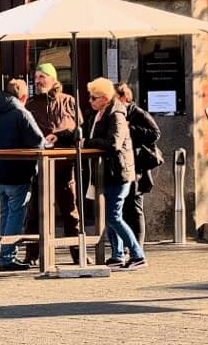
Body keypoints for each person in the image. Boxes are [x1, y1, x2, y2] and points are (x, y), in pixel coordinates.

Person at [84, 77, 147, 269]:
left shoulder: (116, 115)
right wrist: (63, 136)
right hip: (106, 173)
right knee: (108, 215)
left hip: (118, 173)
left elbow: (114, 144)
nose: (90, 101)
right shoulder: (98, 114)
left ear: (104, 98)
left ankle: (137, 255)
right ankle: (117, 254)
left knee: (114, 216)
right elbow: (83, 131)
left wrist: (87, 142)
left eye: (94, 98)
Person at [0, 78, 47, 271]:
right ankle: (7, 257)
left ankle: (1, 254)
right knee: (16, 214)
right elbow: (38, 141)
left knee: (5, 213)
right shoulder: (21, 113)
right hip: (19, 172)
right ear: (23, 96)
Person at [24, 62, 82, 264]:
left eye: (42, 77)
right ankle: (31, 255)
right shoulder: (30, 105)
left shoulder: (69, 101)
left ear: (53, 79)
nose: (38, 81)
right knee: (34, 213)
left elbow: (79, 130)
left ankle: (78, 253)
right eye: (36, 77)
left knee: (70, 212)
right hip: (40, 166)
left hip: (64, 165)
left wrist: (60, 135)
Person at [114, 82, 161, 248]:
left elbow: (155, 133)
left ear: (123, 97)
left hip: (137, 166)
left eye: (114, 98)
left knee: (134, 208)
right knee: (124, 209)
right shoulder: (114, 114)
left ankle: (138, 247)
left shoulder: (137, 112)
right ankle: (129, 246)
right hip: (122, 165)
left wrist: (130, 128)